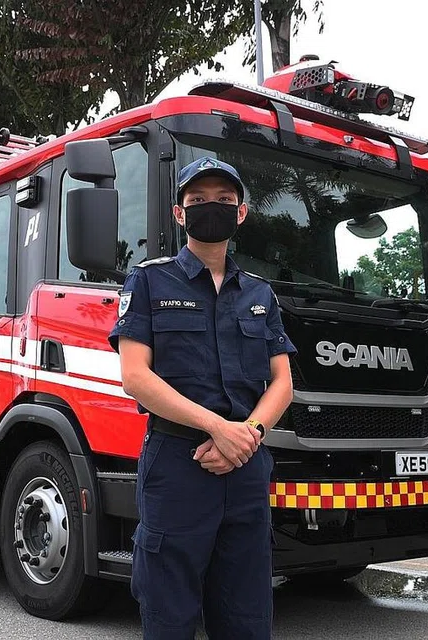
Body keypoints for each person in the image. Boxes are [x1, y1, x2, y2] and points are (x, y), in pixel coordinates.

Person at [108, 156, 297, 639]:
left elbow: (283, 382)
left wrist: (247, 436)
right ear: (178, 213)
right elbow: (136, 376)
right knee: (169, 614)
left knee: (247, 616)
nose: (209, 208)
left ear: (241, 214)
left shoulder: (260, 294)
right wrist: (218, 428)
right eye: (197, 201)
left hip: (246, 469)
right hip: (178, 463)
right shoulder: (149, 281)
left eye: (223, 201)